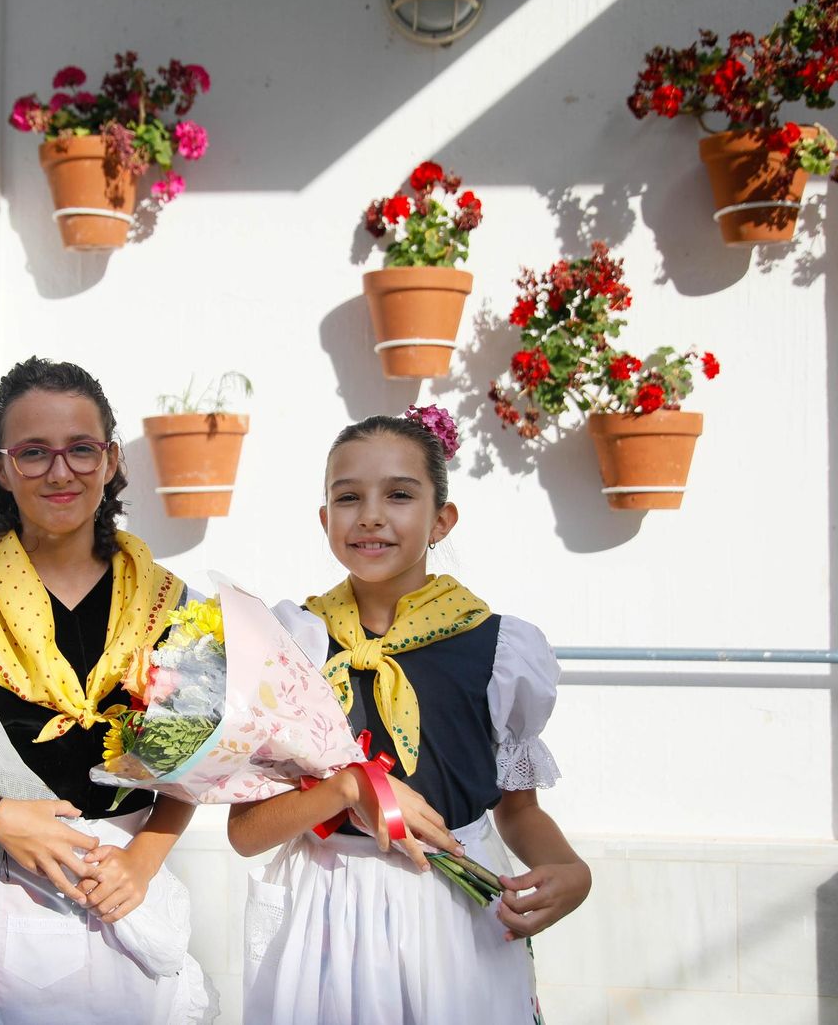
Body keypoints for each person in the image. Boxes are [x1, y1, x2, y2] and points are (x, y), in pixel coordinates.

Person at [232, 410, 591, 1024]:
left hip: (454, 915)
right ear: (325, 520)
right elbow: (246, 833)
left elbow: (518, 808)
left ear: (441, 520)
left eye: (399, 494)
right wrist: (349, 787)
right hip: (328, 913)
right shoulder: (293, 643)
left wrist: (570, 869)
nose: (370, 514)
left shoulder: (498, 650)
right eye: (348, 498)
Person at [0, 357, 213, 1024]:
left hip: (125, 893)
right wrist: (0, 819)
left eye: (81, 449)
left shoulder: (173, 607)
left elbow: (193, 765)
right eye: (33, 453)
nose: (60, 471)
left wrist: (145, 862)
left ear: (112, 459)